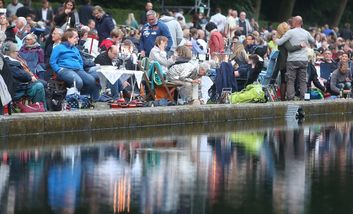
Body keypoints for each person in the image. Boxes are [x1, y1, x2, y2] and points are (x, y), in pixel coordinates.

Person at [50, 28, 99, 100]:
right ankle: (72, 100)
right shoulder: (58, 47)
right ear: (68, 38)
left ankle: (84, 98)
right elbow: (52, 61)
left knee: (91, 80)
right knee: (78, 82)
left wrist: (81, 68)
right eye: (75, 37)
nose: (78, 39)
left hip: (78, 69)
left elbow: (80, 60)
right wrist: (58, 70)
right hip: (65, 69)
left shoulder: (75, 48)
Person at [275, 16, 315, 100]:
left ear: (295, 22)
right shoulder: (306, 32)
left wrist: (275, 38)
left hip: (292, 60)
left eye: (292, 21)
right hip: (303, 60)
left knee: (290, 81)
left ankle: (290, 99)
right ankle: (303, 98)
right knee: (302, 81)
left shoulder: (290, 33)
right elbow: (313, 41)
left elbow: (279, 42)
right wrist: (305, 42)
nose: (291, 23)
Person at [2, 41, 46, 108]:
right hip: (16, 90)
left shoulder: (3, 60)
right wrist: (30, 78)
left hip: (11, 87)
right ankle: (40, 109)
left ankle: (37, 107)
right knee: (39, 86)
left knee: (43, 83)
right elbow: (21, 75)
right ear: (12, 52)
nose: (18, 53)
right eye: (17, 51)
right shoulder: (11, 63)